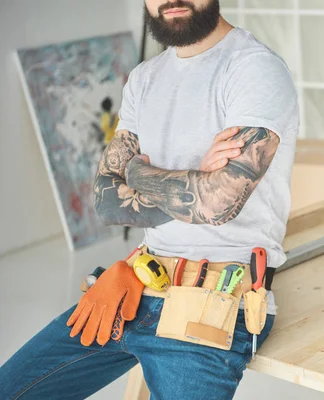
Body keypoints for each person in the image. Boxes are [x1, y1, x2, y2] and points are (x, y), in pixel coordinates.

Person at [0, 0, 299, 398]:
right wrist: (196, 181)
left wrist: (137, 174)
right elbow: (106, 200)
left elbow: (217, 204)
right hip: (133, 283)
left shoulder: (253, 69)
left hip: (214, 305)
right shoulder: (144, 78)